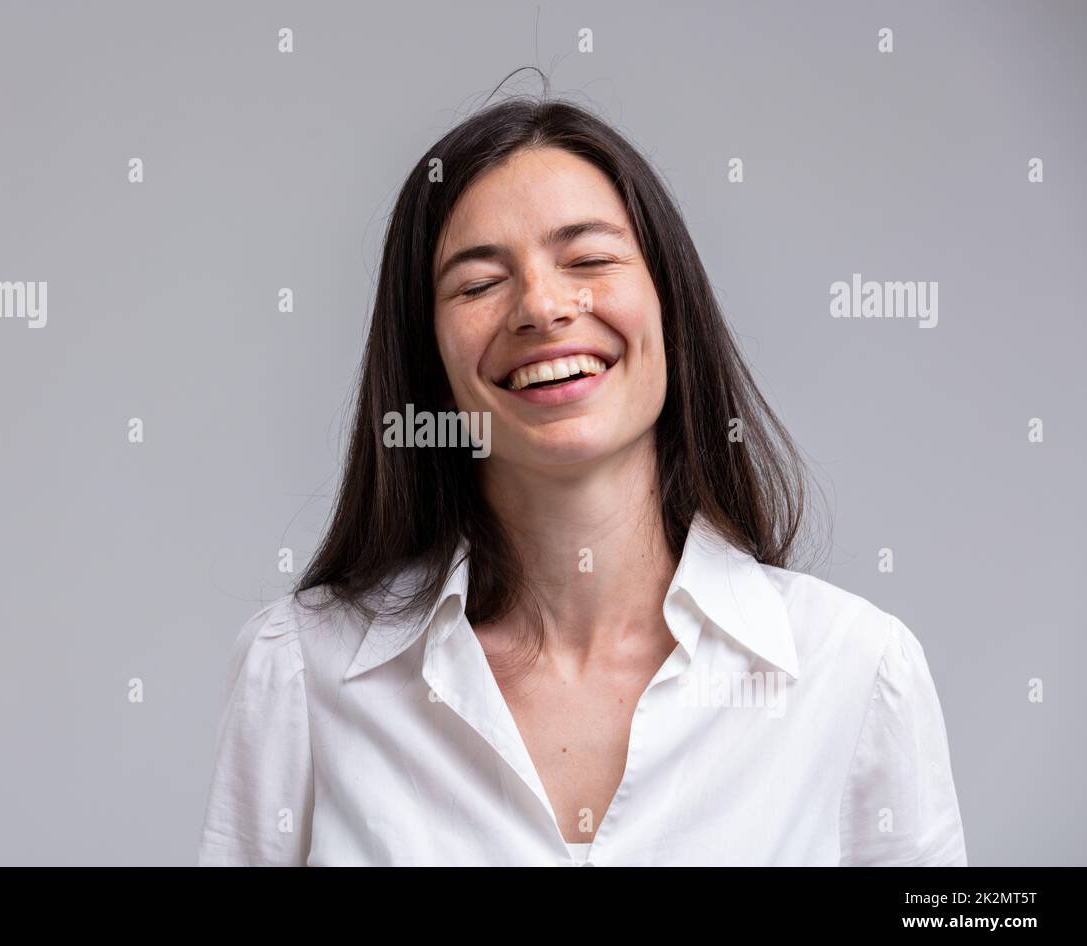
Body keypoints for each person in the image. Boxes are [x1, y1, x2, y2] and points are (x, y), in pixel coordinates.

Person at [197, 95, 967, 866]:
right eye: (477, 284)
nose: (541, 306)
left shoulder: (856, 671)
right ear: (427, 356)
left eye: (591, 259)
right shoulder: (300, 671)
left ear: (669, 304)